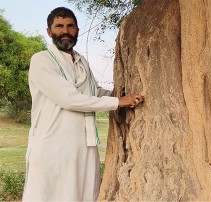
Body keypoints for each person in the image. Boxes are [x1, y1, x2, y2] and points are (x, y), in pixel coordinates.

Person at [22, 7, 144, 201]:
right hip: (52, 146)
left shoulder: (81, 61)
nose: (65, 31)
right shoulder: (41, 60)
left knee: (83, 196)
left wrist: (123, 96)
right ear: (49, 31)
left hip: (84, 145)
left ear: (77, 30)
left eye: (70, 26)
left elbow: (94, 92)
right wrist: (117, 102)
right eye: (59, 26)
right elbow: (68, 99)